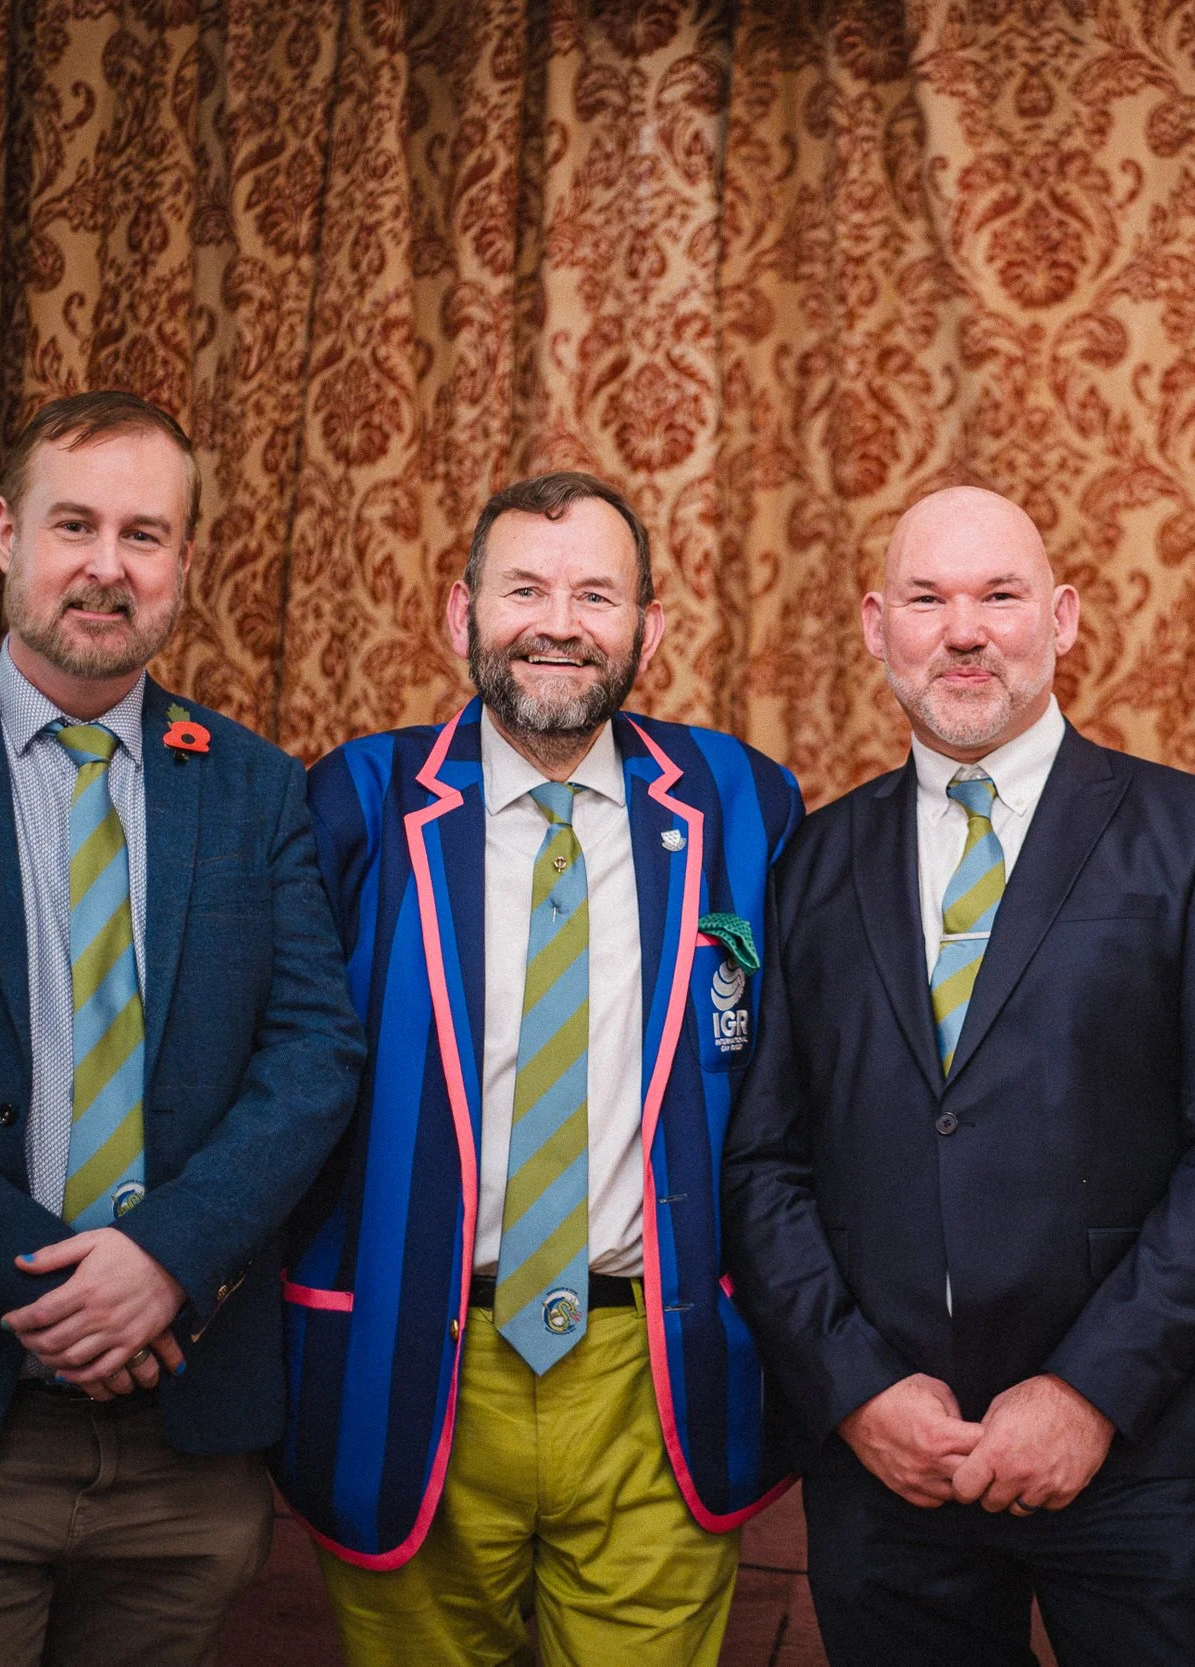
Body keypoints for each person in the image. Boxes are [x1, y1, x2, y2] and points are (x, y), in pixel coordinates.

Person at [0, 389, 365, 1665]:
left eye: (145, 534)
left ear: (187, 561)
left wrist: (160, 1262)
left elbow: (314, 1054)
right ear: (2, 532)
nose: (106, 566)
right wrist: (53, 1287)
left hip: (183, 1454)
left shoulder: (256, 784)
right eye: (73, 524)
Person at [723, 486, 1195, 1667]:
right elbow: (763, 1157)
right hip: (888, 1470)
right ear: (878, 626)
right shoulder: (811, 858)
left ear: (1066, 617)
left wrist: (1085, 1391)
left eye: (1000, 595)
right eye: (929, 599)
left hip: (1135, 1459)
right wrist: (853, 1388)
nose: (966, 628)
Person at [276, 471, 804, 1667]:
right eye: (523, 587)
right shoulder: (355, 799)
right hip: (411, 1357)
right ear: (457, 613)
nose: (558, 621)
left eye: (596, 593)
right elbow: (273, 1071)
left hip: (653, 1369)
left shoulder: (742, 801)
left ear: (647, 629)